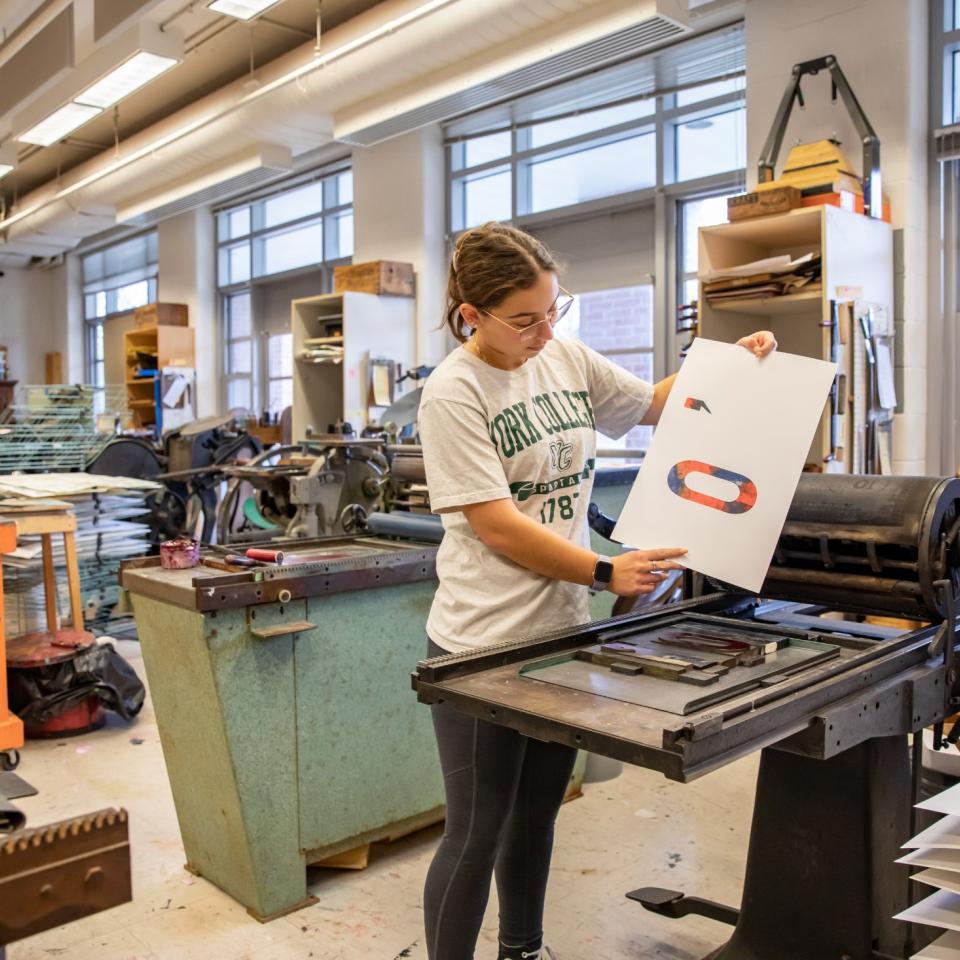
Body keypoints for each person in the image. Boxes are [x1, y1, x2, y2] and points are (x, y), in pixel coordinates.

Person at [417, 222, 776, 960]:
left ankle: (523, 950)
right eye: (526, 320)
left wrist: (730, 368)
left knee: (537, 814)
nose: (545, 331)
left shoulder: (567, 358)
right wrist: (608, 571)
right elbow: (499, 526)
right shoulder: (451, 393)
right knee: (477, 828)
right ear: (470, 317)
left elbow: (655, 405)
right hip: (482, 645)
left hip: (562, 634)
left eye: (555, 310)